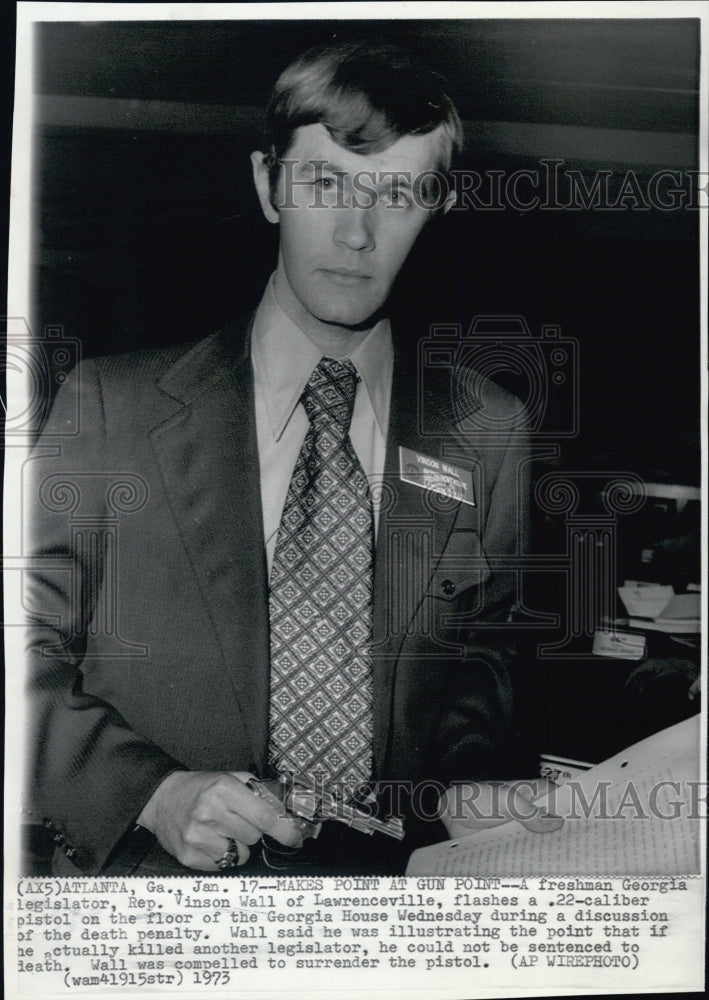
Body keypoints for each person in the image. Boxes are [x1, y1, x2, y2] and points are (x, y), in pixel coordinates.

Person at [25, 39, 538, 876]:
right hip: (150, 907)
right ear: (268, 184)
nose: (356, 232)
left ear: (437, 206)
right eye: (325, 183)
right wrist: (152, 795)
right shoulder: (111, 407)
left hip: (380, 914)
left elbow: (480, 662)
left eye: (398, 194)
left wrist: (469, 784)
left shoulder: (486, 430)